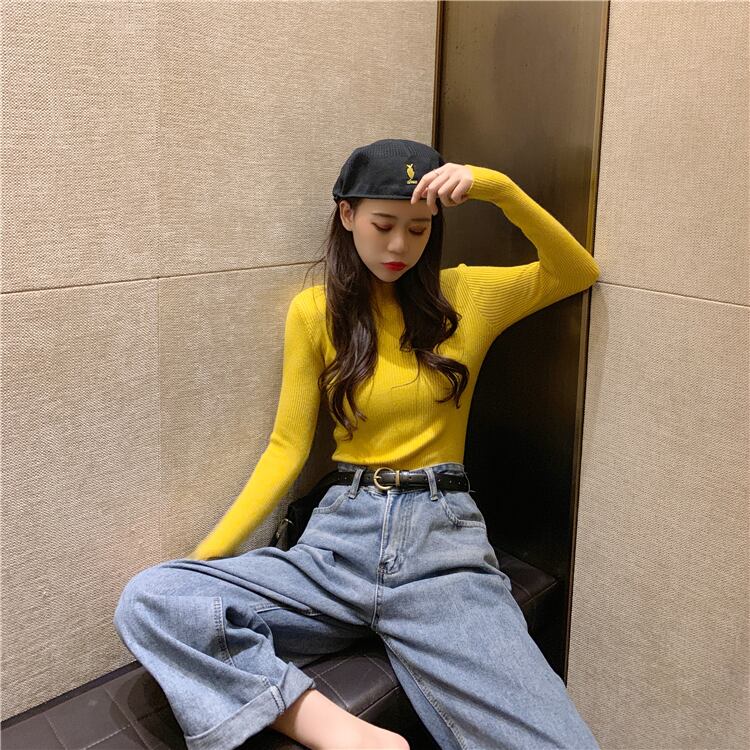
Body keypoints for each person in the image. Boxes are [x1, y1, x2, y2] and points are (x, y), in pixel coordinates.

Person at [113, 138, 602, 750]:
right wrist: (205, 561)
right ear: (347, 215)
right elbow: (286, 449)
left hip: (440, 547)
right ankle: (349, 738)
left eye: (418, 229)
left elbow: (575, 270)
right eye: (383, 224)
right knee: (153, 597)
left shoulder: (467, 296)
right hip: (337, 544)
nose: (399, 246)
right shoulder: (315, 312)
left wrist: (495, 187)